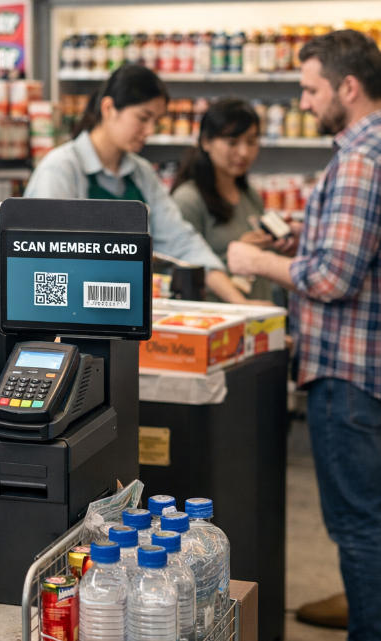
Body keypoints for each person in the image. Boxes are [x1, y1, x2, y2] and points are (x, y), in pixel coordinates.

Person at [227, 29, 381, 639]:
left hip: (347, 375)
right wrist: (302, 239)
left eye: (311, 88)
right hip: (363, 369)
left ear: (348, 86)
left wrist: (256, 261)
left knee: (359, 527)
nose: (304, 101)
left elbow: (335, 277)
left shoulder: (359, 159)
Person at [24, 64, 259, 304]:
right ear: (109, 108)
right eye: (143, 118)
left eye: (156, 121)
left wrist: (239, 303)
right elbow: (43, 259)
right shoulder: (61, 169)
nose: (150, 130)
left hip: (125, 308)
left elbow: (181, 241)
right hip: (71, 313)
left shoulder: (141, 172)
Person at [172, 98, 294, 302]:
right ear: (206, 142)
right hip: (215, 321)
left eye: (252, 141)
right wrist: (235, 255)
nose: (244, 152)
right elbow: (179, 271)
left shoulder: (249, 195)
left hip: (257, 318)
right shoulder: (188, 199)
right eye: (232, 142)